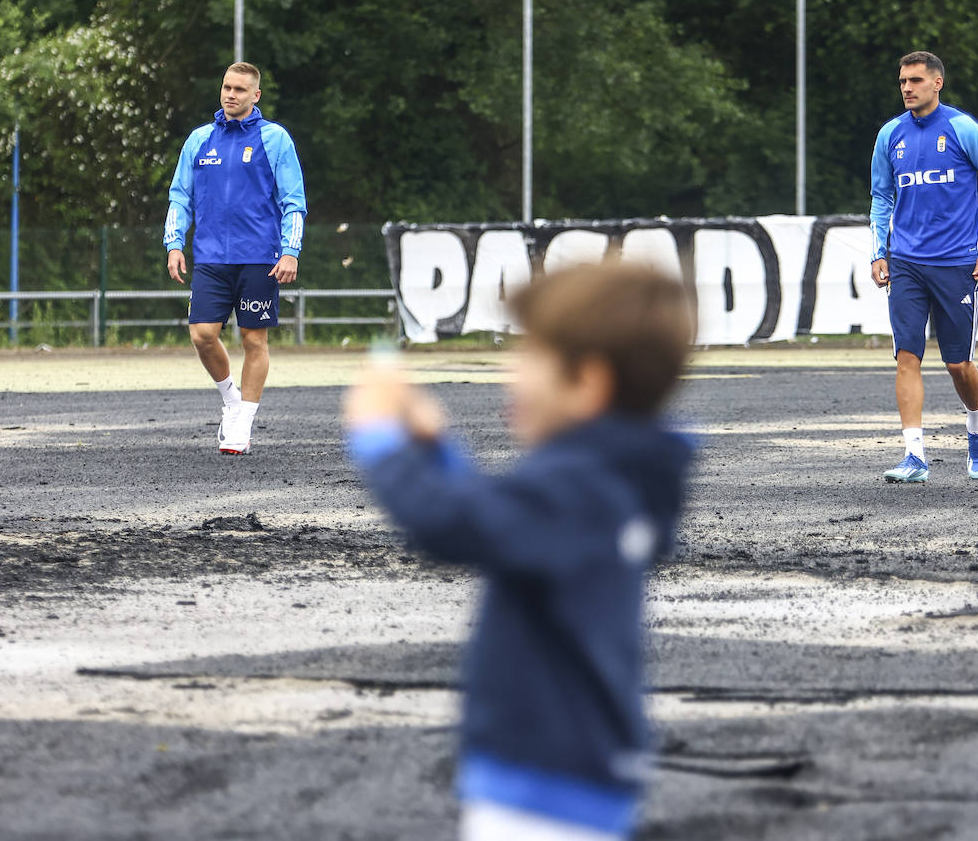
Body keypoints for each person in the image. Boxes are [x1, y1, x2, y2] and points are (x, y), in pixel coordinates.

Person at [343, 264, 694, 841]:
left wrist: (378, 436)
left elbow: (450, 524)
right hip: (580, 773)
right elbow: (504, 523)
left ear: (587, 382)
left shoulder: (577, 487)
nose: (511, 372)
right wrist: (438, 450)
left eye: (530, 355)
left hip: (542, 784)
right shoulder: (616, 478)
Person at [869, 50, 978, 483]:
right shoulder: (889, 134)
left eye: (915, 80)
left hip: (956, 265)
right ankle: (915, 456)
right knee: (906, 356)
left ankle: (976, 427)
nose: (907, 88)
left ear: (937, 83)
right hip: (907, 264)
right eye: (901, 82)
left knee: (957, 364)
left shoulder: (961, 128)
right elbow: (881, 196)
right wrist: (880, 252)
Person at [164, 61, 307, 453]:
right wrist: (173, 242)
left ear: (255, 95)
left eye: (240, 90)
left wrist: (291, 250)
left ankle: (244, 419)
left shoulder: (274, 139)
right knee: (202, 335)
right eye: (227, 87)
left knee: (252, 338)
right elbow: (180, 195)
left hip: (261, 257)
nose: (231, 94)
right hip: (211, 257)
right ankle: (231, 400)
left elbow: (294, 201)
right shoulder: (199, 140)